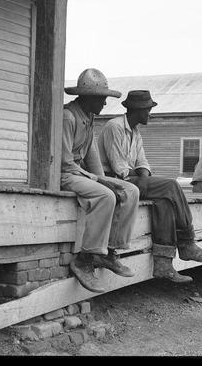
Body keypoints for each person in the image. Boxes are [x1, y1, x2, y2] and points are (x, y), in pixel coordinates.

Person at [97, 90, 202, 284]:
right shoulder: (115, 127)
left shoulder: (135, 132)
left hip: (131, 180)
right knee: (170, 185)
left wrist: (144, 176)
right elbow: (120, 169)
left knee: (164, 202)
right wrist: (142, 177)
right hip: (112, 182)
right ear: (137, 110)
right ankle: (187, 243)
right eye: (147, 110)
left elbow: (142, 161)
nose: (149, 114)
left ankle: (163, 265)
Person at [61, 68, 141, 293]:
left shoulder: (89, 117)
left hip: (81, 174)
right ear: (89, 98)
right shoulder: (68, 116)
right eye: (102, 99)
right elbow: (65, 162)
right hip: (65, 175)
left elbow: (91, 155)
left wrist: (109, 181)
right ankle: (85, 259)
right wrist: (99, 181)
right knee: (104, 195)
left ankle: (110, 251)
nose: (105, 104)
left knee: (130, 190)